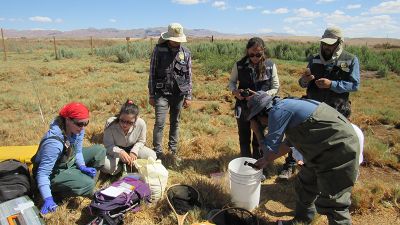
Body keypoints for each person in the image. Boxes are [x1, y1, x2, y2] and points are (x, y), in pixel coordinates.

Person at [247, 92, 359, 225]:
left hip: (338, 150)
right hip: (322, 150)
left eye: (258, 120)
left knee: (334, 202)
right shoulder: (286, 106)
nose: (262, 124)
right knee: (305, 185)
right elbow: (288, 144)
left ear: (261, 113)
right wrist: (265, 161)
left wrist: (258, 132)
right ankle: (302, 220)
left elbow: (269, 150)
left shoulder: (277, 111)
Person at [279, 26, 361, 179]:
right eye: (324, 43)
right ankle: (290, 165)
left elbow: (355, 85)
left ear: (339, 43)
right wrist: (304, 80)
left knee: (333, 142)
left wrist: (332, 85)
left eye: (330, 44)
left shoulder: (350, 59)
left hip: (336, 110)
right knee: (298, 136)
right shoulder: (314, 58)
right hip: (311, 108)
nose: (326, 47)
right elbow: (302, 83)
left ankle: (328, 172)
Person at [32, 102, 106, 214]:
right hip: (54, 171)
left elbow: (78, 151)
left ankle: (78, 178)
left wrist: (82, 166)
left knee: (100, 151)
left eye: (86, 123)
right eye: (80, 124)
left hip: (68, 159)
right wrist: (47, 198)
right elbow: (43, 174)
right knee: (88, 184)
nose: (83, 127)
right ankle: (57, 193)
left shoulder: (77, 129)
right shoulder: (54, 143)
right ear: (67, 120)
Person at [148, 22, 192, 165]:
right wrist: (151, 94)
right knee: (159, 123)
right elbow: (152, 73)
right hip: (161, 93)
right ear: (168, 38)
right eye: (173, 39)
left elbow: (189, 76)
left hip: (179, 94)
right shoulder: (158, 50)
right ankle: (157, 152)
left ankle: (173, 151)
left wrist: (189, 95)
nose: (175, 42)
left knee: (175, 123)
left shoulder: (186, 53)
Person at [228, 37, 279, 159]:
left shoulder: (270, 66)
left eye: (258, 54)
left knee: (259, 138)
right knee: (244, 137)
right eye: (251, 54)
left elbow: (275, 87)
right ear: (247, 51)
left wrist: (262, 96)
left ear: (263, 51)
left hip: (262, 108)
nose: (255, 58)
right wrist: (235, 92)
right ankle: (245, 164)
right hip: (243, 106)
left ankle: (258, 164)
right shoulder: (239, 65)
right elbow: (232, 82)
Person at [102, 100, 157, 175]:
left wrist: (134, 151)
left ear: (136, 119)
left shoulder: (141, 123)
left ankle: (131, 163)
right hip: (115, 150)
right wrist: (119, 152)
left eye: (129, 122)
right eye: (122, 121)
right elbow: (108, 145)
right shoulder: (110, 123)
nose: (124, 125)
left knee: (152, 156)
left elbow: (141, 141)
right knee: (106, 166)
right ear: (119, 116)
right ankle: (120, 166)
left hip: (132, 147)